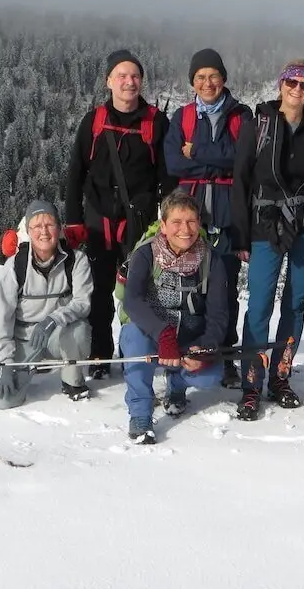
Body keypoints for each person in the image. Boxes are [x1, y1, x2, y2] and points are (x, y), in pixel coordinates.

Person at [231, 58, 304, 421]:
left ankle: (280, 376)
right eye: (291, 83)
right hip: (264, 225)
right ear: (280, 85)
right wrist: (240, 234)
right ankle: (251, 383)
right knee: (259, 304)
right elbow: (241, 181)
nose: (297, 90)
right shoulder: (258, 124)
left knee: (294, 304)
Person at [66, 49, 172, 379]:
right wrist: (73, 219)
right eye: (122, 76)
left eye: (135, 76)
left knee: (137, 289)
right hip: (99, 220)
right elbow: (75, 173)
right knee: (99, 290)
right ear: (109, 81)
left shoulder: (156, 122)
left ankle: (134, 353)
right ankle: (100, 353)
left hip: (140, 223)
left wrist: (168, 223)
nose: (130, 82)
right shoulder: (94, 121)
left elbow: (166, 176)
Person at [164, 48, 252, 390]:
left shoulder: (241, 116)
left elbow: (242, 160)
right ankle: (185, 353)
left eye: (213, 75)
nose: (207, 82)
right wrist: (218, 161)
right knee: (186, 292)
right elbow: (174, 163)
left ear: (224, 79)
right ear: (192, 82)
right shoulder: (183, 116)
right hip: (189, 223)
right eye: (200, 77)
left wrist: (197, 153)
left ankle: (226, 359)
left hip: (228, 220)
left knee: (225, 293)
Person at [119, 190, 228, 444]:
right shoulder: (146, 254)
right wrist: (163, 333)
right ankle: (140, 415)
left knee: (211, 374)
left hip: (190, 335)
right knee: (133, 338)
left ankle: (177, 385)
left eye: (191, 221)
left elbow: (219, 313)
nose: (185, 229)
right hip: (151, 333)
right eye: (177, 222)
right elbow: (132, 300)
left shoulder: (212, 260)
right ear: (164, 226)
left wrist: (207, 347)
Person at [0, 199, 94, 408]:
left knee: (79, 331)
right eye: (36, 226)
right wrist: (3, 362)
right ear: (28, 231)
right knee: (2, 400)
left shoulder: (76, 260)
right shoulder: (16, 266)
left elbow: (82, 303)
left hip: (56, 335)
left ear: (59, 228)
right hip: (22, 341)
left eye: (50, 224)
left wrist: (53, 319)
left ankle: (72, 381)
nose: (44, 231)